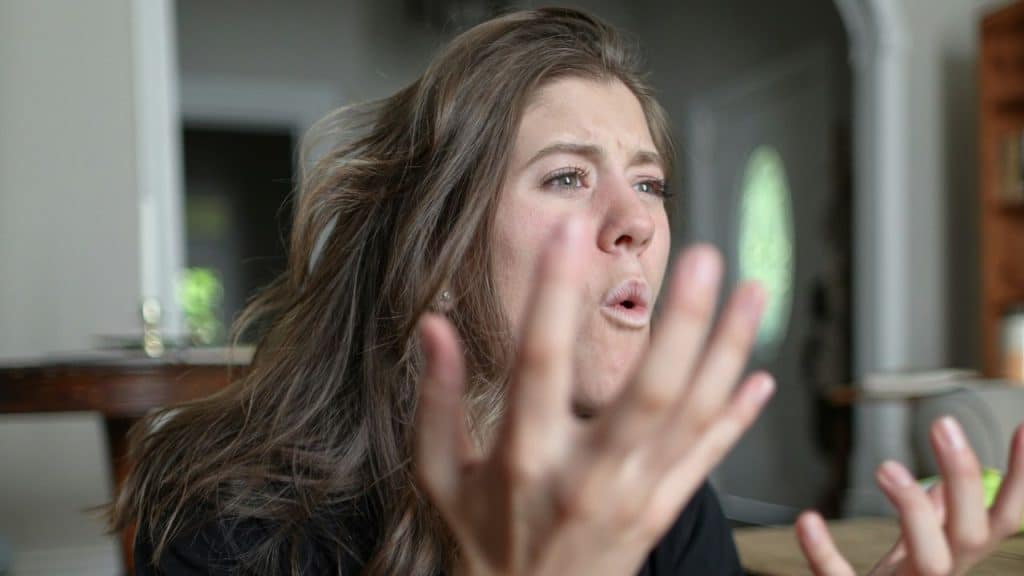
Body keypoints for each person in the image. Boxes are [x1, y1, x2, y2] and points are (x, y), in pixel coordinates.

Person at [111, 8, 1024, 575]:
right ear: (436, 232)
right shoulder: (231, 516)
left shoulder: (654, 496)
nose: (635, 219)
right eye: (566, 177)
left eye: (650, 182)